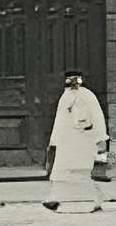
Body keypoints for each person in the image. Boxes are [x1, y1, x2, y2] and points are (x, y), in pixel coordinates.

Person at [45, 68, 108, 211]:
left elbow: (97, 118)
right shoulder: (65, 97)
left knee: (81, 174)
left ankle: (97, 197)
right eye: (70, 80)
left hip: (83, 141)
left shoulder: (87, 96)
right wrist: (54, 141)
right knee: (60, 172)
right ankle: (54, 198)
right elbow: (59, 121)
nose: (73, 83)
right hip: (66, 143)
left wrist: (100, 138)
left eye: (75, 80)